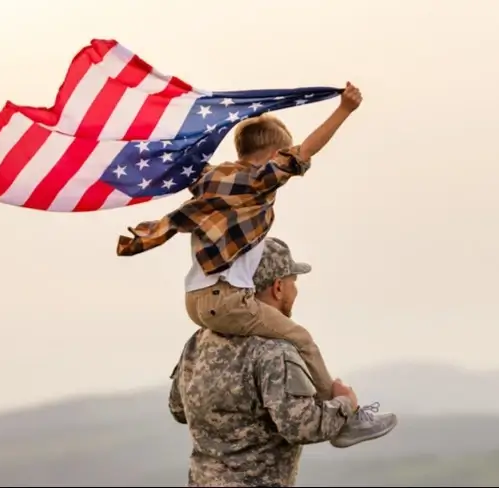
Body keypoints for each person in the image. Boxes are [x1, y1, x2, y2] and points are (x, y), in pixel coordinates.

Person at [119, 83, 395, 443]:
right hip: (227, 298)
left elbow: (178, 410)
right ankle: (349, 418)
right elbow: (305, 152)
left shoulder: (211, 179)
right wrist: (344, 110)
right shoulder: (256, 181)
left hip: (196, 300)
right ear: (273, 154)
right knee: (301, 339)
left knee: (242, 338)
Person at [168, 238, 397, 487]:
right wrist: (344, 404)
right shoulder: (274, 351)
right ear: (278, 288)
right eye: (293, 283)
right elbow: (300, 425)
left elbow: (178, 409)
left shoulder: (198, 341)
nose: (295, 291)